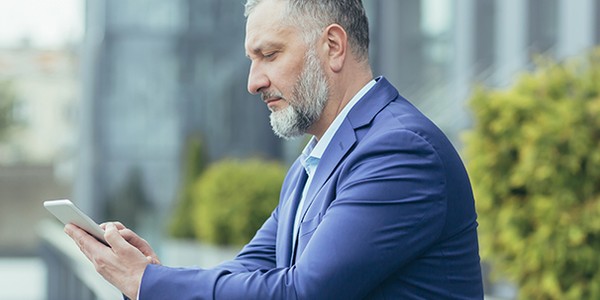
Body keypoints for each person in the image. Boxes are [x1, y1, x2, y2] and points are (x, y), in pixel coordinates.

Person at [65, 0, 484, 298]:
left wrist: (148, 284)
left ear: (333, 47)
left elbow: (303, 291)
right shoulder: (311, 163)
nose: (254, 81)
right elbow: (249, 271)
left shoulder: (401, 152)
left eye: (269, 55)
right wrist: (154, 276)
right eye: (252, 59)